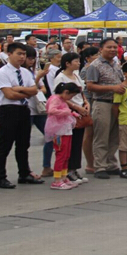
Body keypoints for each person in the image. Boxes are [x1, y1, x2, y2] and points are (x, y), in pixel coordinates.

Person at [0, 42, 45, 189]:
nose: (22, 57)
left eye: (24, 54)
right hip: (8, 110)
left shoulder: (26, 72)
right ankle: (0, 176)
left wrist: (19, 89)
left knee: (23, 144)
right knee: (6, 144)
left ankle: (24, 173)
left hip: (24, 109)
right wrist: (24, 91)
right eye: (19, 54)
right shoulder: (2, 72)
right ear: (9, 54)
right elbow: (8, 94)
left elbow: (34, 90)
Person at [85, 39, 125, 179]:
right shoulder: (95, 66)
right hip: (102, 103)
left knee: (114, 136)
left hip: (117, 103)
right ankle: (99, 166)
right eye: (109, 47)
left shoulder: (116, 64)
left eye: (115, 47)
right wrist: (112, 88)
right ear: (101, 49)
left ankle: (111, 164)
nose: (113, 50)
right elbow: (90, 86)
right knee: (101, 136)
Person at [53, 52, 91, 184]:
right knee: (69, 142)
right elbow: (60, 97)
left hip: (80, 110)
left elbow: (81, 92)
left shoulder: (76, 75)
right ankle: (67, 170)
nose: (79, 63)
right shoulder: (61, 77)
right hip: (69, 112)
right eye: (76, 61)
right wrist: (76, 107)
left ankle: (74, 168)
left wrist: (86, 103)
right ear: (67, 63)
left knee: (77, 141)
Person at [45, 82, 82, 190]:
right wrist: (65, 111)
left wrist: (72, 113)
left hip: (66, 129)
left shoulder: (62, 100)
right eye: (71, 96)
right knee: (61, 154)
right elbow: (51, 110)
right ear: (66, 92)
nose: (71, 98)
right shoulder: (55, 99)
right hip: (59, 130)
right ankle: (57, 179)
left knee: (66, 154)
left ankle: (63, 176)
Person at [25, 46, 54, 178]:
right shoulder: (22, 73)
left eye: (33, 58)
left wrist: (35, 84)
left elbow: (43, 89)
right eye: (28, 58)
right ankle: (26, 169)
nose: (31, 61)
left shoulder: (34, 72)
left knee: (51, 136)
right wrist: (36, 81)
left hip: (39, 108)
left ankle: (46, 166)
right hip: (27, 109)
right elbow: (29, 89)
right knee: (24, 141)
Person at [79, 46, 99, 173]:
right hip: (89, 102)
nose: (98, 57)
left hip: (95, 101)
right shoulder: (86, 70)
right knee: (89, 133)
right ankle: (90, 163)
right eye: (95, 55)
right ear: (87, 58)